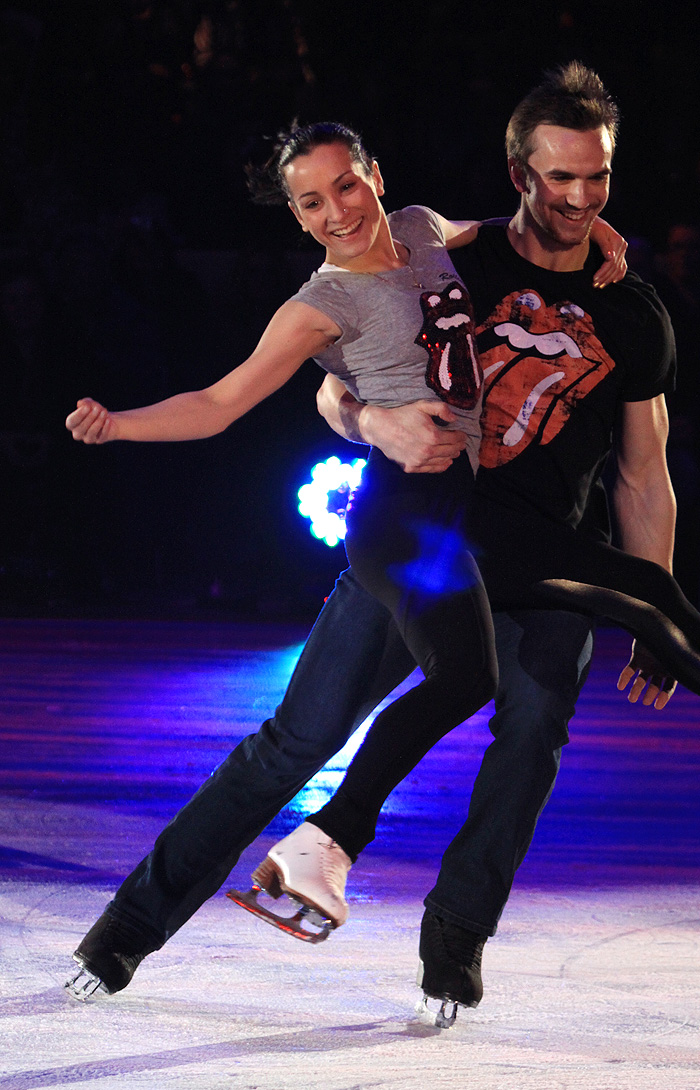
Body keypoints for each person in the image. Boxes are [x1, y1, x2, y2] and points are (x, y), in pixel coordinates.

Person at [64, 67, 695, 1019]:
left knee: (531, 735)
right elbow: (329, 386)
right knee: (295, 739)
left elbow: (644, 476)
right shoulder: (444, 260)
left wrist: (652, 601)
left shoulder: (623, 305)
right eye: (559, 177)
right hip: (421, 538)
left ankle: (454, 942)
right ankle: (127, 928)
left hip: (548, 559)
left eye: (595, 178)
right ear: (520, 173)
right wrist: (371, 422)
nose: (578, 197)